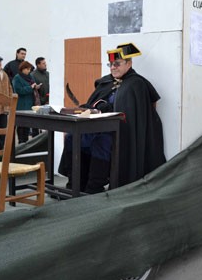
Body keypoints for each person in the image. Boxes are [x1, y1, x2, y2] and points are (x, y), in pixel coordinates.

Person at [58, 43, 165, 194]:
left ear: (129, 63)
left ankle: (93, 188)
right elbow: (93, 103)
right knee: (71, 138)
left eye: (117, 64)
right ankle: (75, 184)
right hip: (96, 128)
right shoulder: (106, 81)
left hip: (120, 133)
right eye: (111, 64)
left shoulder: (136, 84)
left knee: (101, 142)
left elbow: (133, 115)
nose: (113, 67)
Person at [12, 60, 40, 144]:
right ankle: (21, 141)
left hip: (30, 103)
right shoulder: (17, 78)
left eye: (29, 69)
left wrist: (36, 87)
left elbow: (33, 85)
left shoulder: (31, 77)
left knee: (27, 124)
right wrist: (30, 88)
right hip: (21, 104)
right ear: (22, 69)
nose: (28, 71)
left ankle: (26, 141)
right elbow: (19, 90)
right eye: (27, 69)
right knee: (21, 125)